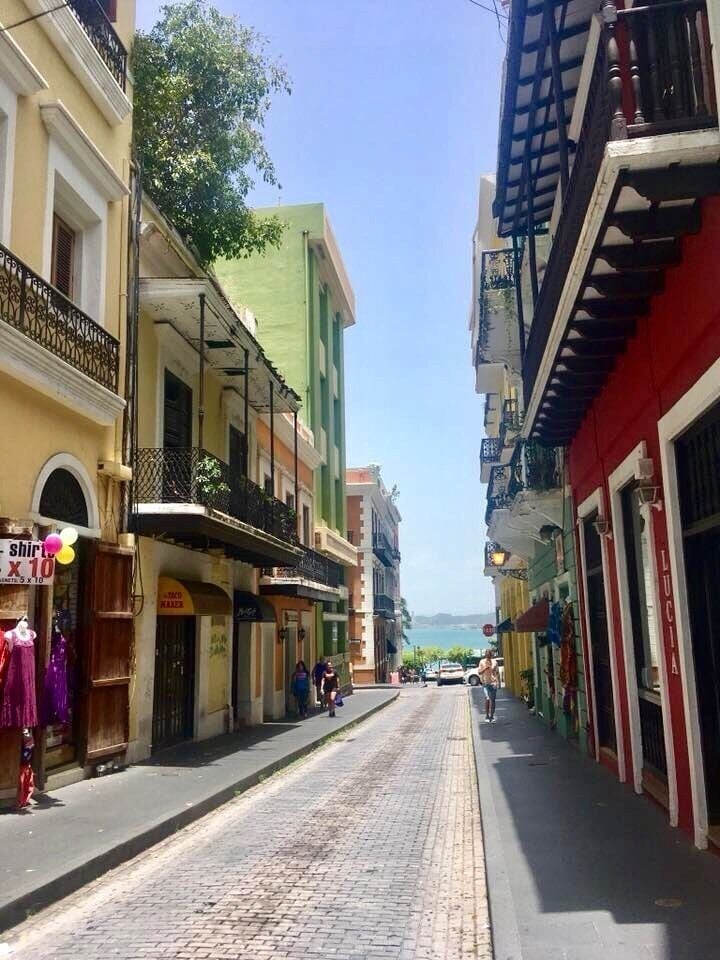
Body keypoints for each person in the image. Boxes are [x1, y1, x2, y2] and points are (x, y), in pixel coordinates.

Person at [479, 648, 500, 722]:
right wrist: (485, 668)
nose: (488, 656)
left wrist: (498, 683)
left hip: (493, 683)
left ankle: (492, 716)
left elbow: (497, 673)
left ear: (491, 655)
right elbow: (479, 672)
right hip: (485, 683)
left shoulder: (495, 662)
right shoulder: (482, 662)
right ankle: (487, 716)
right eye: (487, 655)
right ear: (485, 655)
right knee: (487, 698)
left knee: (493, 700)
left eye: (489, 655)